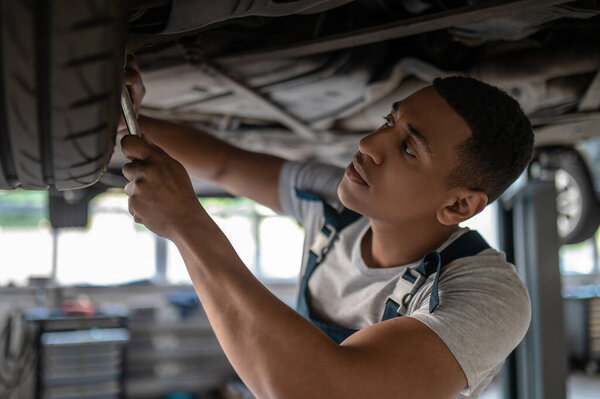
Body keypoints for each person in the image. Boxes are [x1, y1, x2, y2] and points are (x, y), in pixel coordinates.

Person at [119, 57, 533, 398]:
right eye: (389, 121)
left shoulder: (486, 296)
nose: (369, 144)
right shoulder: (333, 206)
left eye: (408, 148)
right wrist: (122, 116)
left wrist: (188, 226)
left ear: (458, 204)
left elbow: (321, 390)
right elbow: (224, 162)